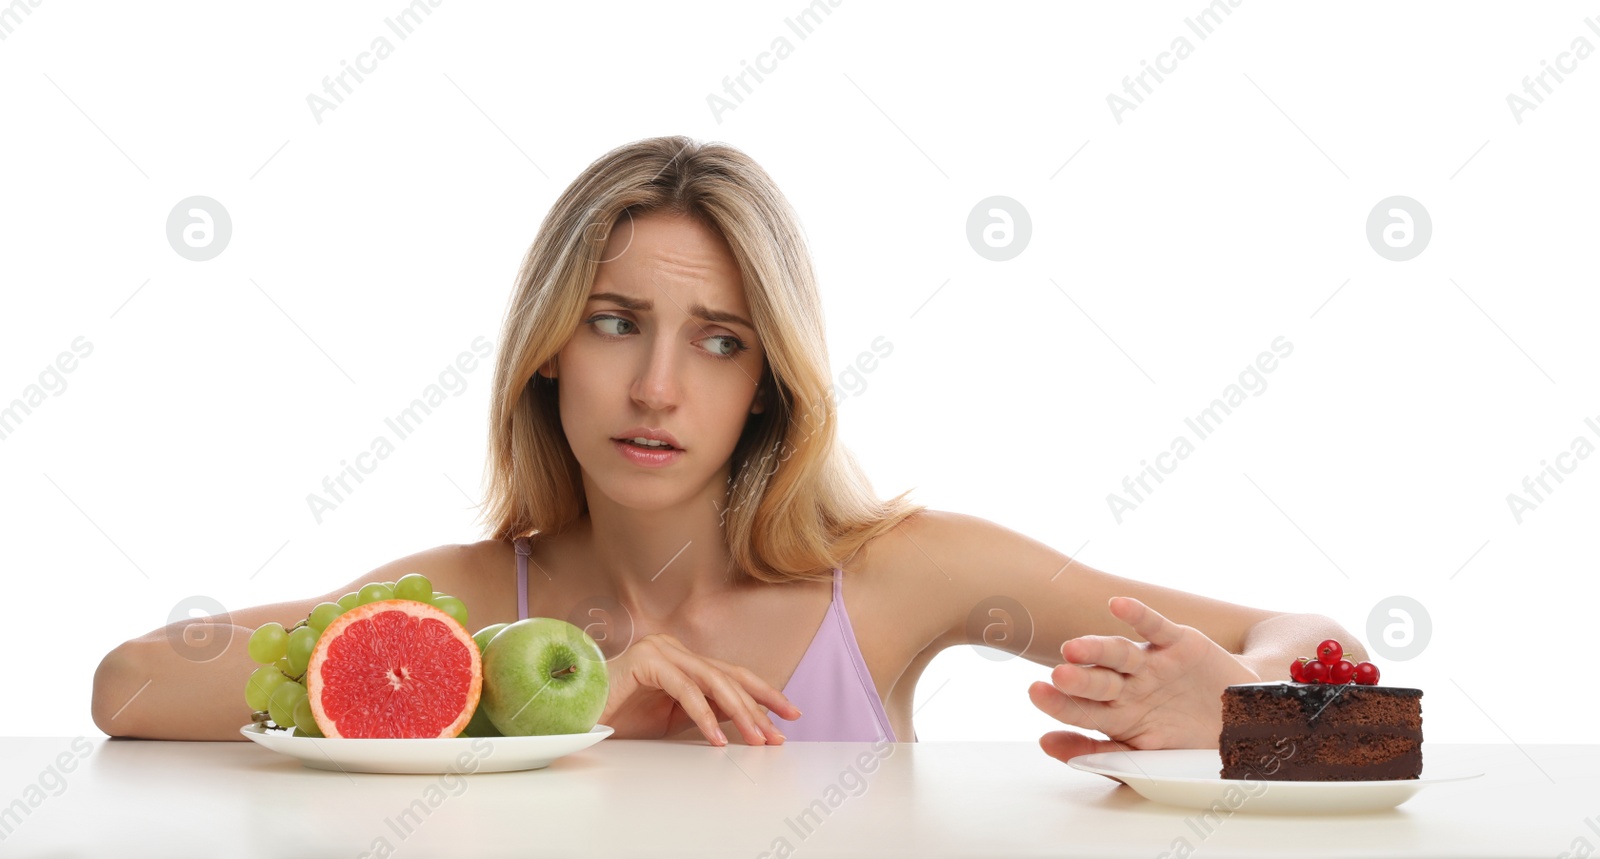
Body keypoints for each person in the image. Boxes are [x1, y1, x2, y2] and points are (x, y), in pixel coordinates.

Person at [91, 136, 1366, 760]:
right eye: (613, 324)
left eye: (716, 340)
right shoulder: (486, 598)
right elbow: (131, 686)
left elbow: (1342, 666)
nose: (654, 387)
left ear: (769, 380)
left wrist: (1253, 717)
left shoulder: (901, 576)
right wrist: (565, 686)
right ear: (548, 348)